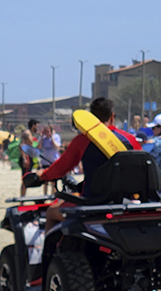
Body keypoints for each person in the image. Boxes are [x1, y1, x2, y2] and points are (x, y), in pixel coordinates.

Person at [36, 97, 142, 231]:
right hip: (125, 201)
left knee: (51, 212)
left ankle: (49, 252)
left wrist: (43, 175)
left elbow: (61, 168)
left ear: (90, 119)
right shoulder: (130, 139)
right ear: (112, 117)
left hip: (93, 202)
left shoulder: (83, 140)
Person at [19, 119, 40, 195]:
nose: (37, 128)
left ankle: (23, 197)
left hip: (29, 157)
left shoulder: (30, 134)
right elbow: (21, 145)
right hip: (26, 157)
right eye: (37, 126)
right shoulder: (27, 133)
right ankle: (22, 198)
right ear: (33, 125)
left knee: (27, 178)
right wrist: (24, 158)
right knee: (25, 178)